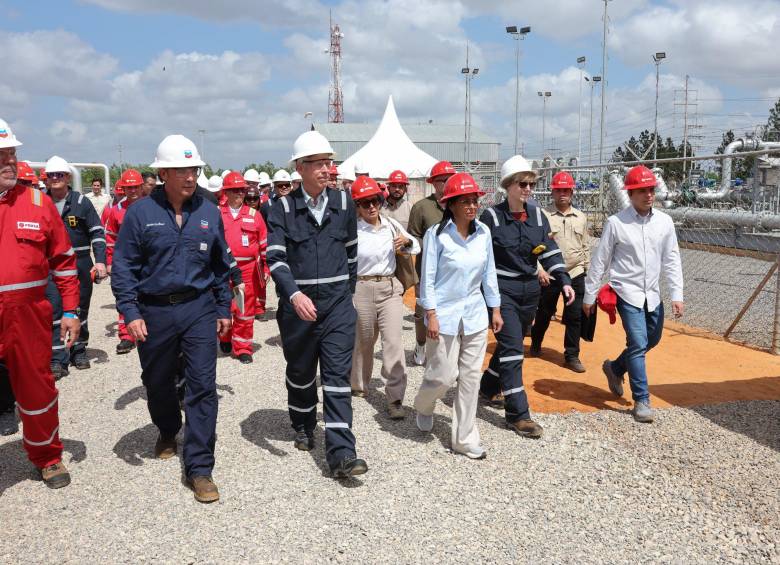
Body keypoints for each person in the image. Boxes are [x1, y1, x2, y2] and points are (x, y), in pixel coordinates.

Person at [111, 134, 232, 502]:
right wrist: (130, 312)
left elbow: (221, 266)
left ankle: (199, 468)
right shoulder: (140, 214)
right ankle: (167, 428)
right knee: (158, 381)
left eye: (194, 169)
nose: (190, 176)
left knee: (202, 385)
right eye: (181, 170)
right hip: (154, 311)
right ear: (163, 172)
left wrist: (224, 307)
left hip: (198, 308)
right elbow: (124, 267)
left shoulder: (209, 212)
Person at [266, 130, 367, 478]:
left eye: (329, 162)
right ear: (300, 167)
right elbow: (276, 259)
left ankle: (342, 453)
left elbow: (352, 253)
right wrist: (294, 294)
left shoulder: (344, 203)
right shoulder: (280, 207)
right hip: (298, 307)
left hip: (337, 304)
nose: (327, 168)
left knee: (338, 376)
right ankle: (303, 422)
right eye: (319, 163)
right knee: (301, 372)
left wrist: (345, 294)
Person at [0, 117, 80, 488]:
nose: (9, 161)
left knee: (37, 385)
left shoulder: (37, 202)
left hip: (28, 312)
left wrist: (69, 310)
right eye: (1, 154)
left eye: (12, 153)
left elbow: (63, 261)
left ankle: (47, 456)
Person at [478, 156, 575, 437]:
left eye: (532, 184)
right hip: (502, 292)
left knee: (511, 345)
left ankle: (487, 388)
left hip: (529, 292)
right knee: (512, 350)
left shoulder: (537, 216)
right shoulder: (491, 217)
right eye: (523, 184)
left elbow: (549, 250)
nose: (529, 189)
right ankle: (518, 414)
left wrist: (564, 280)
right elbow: (482, 260)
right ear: (508, 186)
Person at [583, 165, 684, 424]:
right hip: (627, 293)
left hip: (652, 293)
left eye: (650, 190)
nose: (648, 195)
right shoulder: (617, 223)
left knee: (652, 339)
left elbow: (672, 259)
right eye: (641, 191)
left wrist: (677, 293)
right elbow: (600, 260)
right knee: (638, 343)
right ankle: (642, 400)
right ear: (630, 194)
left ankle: (615, 368)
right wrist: (589, 295)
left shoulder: (664, 222)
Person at [413, 172, 503, 460]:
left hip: (475, 315)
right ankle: (424, 405)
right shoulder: (436, 236)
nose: (471, 206)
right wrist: (431, 314)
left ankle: (464, 438)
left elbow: (489, 273)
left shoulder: (484, 234)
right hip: (445, 314)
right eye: (464, 201)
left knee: (470, 378)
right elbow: (427, 279)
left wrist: (496, 308)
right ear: (450, 204)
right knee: (442, 376)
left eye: (474, 200)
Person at [349, 176, 420, 419]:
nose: (371, 206)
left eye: (375, 201)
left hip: (390, 288)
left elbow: (416, 247)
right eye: (365, 202)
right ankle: (358, 383)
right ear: (357, 206)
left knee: (393, 342)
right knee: (364, 340)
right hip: (362, 287)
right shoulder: (354, 230)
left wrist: (407, 241)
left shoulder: (391, 224)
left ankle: (395, 398)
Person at [44, 155, 107, 374]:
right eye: (51, 175)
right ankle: (58, 359)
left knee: (80, 307)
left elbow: (97, 232)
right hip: (50, 266)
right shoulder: (40, 202)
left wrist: (100, 261)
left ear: (68, 177)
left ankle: (79, 350)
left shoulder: (82, 203)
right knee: (54, 310)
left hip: (80, 264)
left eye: (59, 174)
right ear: (46, 179)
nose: (55, 179)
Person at [529, 171, 591, 372]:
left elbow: (585, 245)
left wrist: (585, 268)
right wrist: (539, 270)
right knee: (545, 312)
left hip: (575, 273)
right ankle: (536, 343)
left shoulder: (581, 217)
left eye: (566, 190)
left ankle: (572, 355)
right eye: (558, 190)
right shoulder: (543, 216)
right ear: (552, 193)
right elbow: (535, 246)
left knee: (574, 316)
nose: (562, 194)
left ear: (572, 192)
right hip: (551, 274)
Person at [407, 160, 455, 366]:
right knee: (422, 311)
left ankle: (445, 351)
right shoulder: (421, 208)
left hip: (452, 271)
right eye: (441, 180)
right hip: (425, 269)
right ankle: (420, 343)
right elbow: (412, 237)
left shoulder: (459, 205)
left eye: (449, 179)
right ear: (433, 184)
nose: (445, 184)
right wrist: (429, 241)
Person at [218, 172, 268, 363]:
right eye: (234, 190)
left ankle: (243, 347)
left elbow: (264, 245)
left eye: (242, 190)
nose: (239, 193)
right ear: (226, 192)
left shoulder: (255, 215)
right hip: (222, 269)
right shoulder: (216, 213)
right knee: (223, 306)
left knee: (244, 311)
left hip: (247, 270)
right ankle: (224, 337)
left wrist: (266, 269)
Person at [105, 169, 146, 354]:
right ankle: (126, 336)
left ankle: (147, 329)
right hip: (126, 262)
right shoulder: (116, 211)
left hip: (148, 261)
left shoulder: (152, 208)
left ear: (142, 186)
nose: (133, 191)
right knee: (125, 296)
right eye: (129, 187)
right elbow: (110, 238)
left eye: (136, 187)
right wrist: (110, 262)